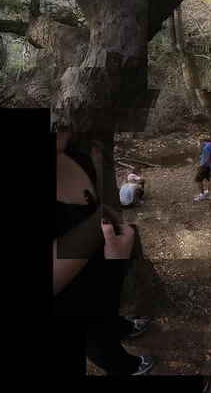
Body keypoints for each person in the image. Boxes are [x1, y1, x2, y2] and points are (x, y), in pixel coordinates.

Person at [54, 131, 155, 375]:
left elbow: (89, 204)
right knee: (96, 335)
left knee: (109, 312)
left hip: (102, 274)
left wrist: (97, 173)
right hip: (72, 303)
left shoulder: (70, 150)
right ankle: (124, 367)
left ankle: (120, 327)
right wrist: (114, 263)